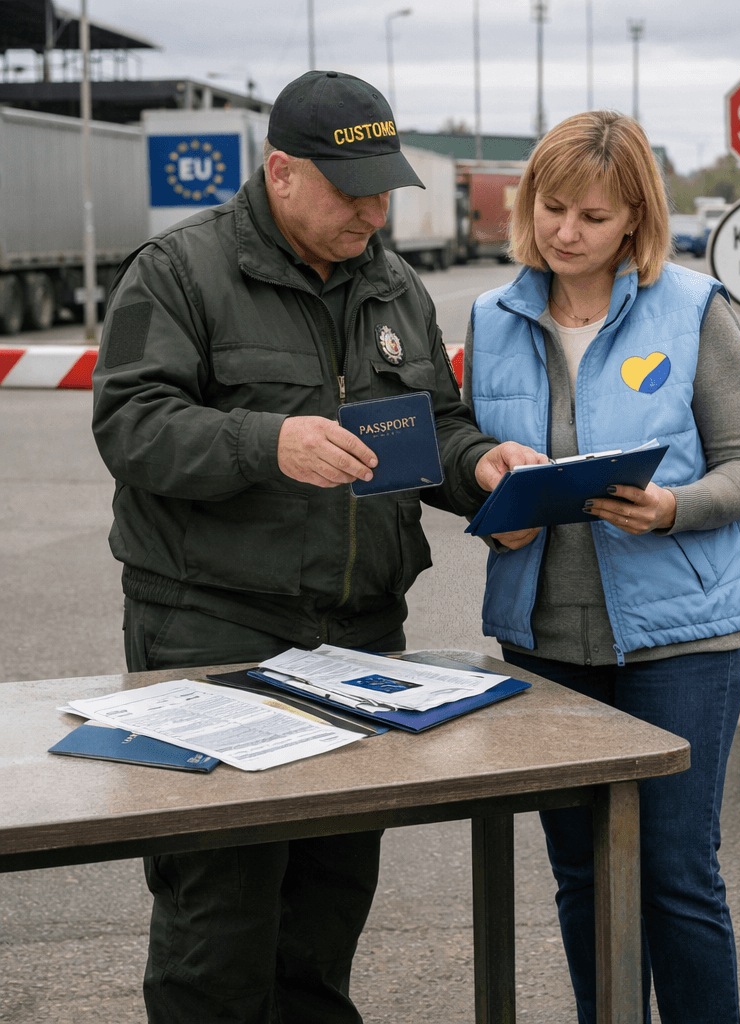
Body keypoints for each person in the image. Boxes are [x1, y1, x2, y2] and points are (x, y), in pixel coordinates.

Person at [92, 70, 531, 1024]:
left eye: (385, 191)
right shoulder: (179, 271)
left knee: (326, 912)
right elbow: (131, 425)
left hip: (359, 641)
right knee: (220, 918)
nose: (374, 213)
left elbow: (434, 426)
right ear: (281, 171)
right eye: (352, 191)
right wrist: (266, 443)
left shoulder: (391, 283)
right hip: (214, 632)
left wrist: (482, 468)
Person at [463, 110, 740, 1023]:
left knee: (675, 875)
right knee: (581, 872)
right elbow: (476, 459)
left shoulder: (694, 309)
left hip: (681, 642)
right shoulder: (490, 318)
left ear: (636, 217)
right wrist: (498, 519)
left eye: (593, 217)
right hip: (546, 639)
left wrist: (675, 507)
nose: (566, 232)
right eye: (552, 208)